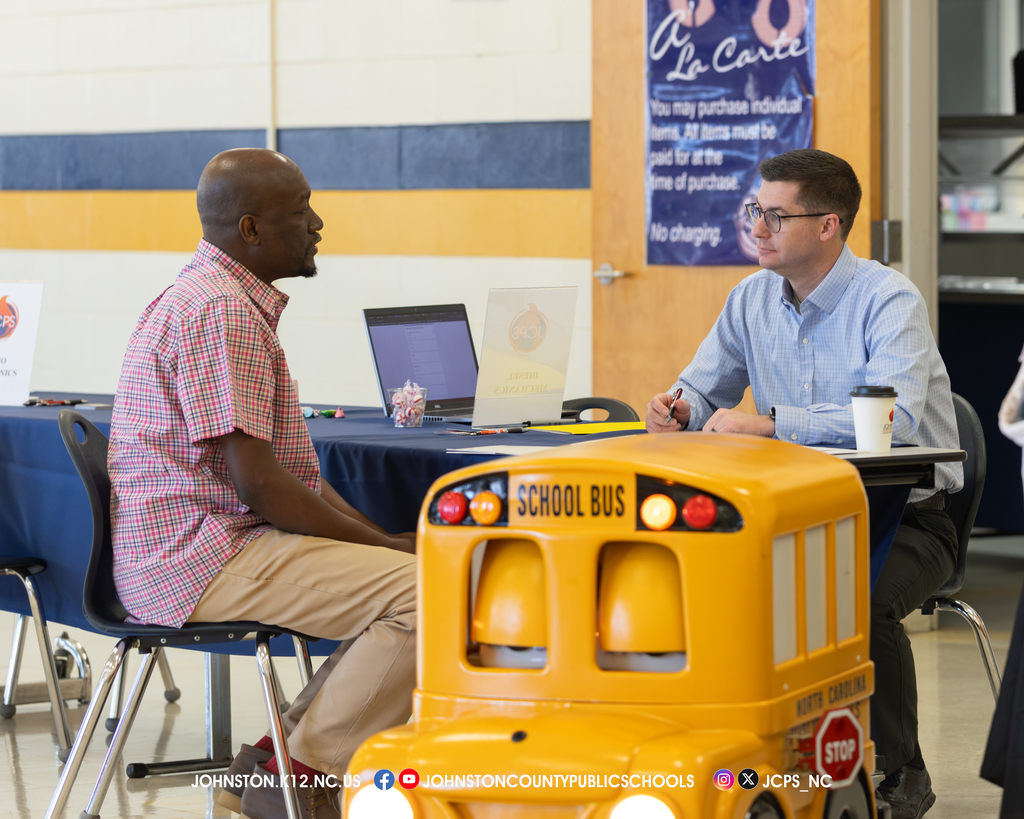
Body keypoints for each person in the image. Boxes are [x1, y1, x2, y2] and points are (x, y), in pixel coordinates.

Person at [645, 149, 962, 819]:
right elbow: (701, 388)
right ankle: (749, 761)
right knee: (704, 585)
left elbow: (897, 423)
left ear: (827, 225)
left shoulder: (888, 298)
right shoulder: (750, 297)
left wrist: (773, 424)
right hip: (794, 516)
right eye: (754, 211)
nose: (757, 228)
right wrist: (679, 409)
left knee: (854, 601)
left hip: (905, 515)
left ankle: (902, 770)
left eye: (775, 215)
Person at [108, 148, 416, 819]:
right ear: (250, 228)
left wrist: (382, 541)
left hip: (201, 549)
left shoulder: (210, 298)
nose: (317, 223)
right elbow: (265, 489)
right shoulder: (222, 311)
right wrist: (392, 550)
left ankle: (269, 765)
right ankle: (300, 784)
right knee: (430, 595)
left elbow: (295, 477)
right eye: (301, 209)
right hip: (201, 558)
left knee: (406, 582)